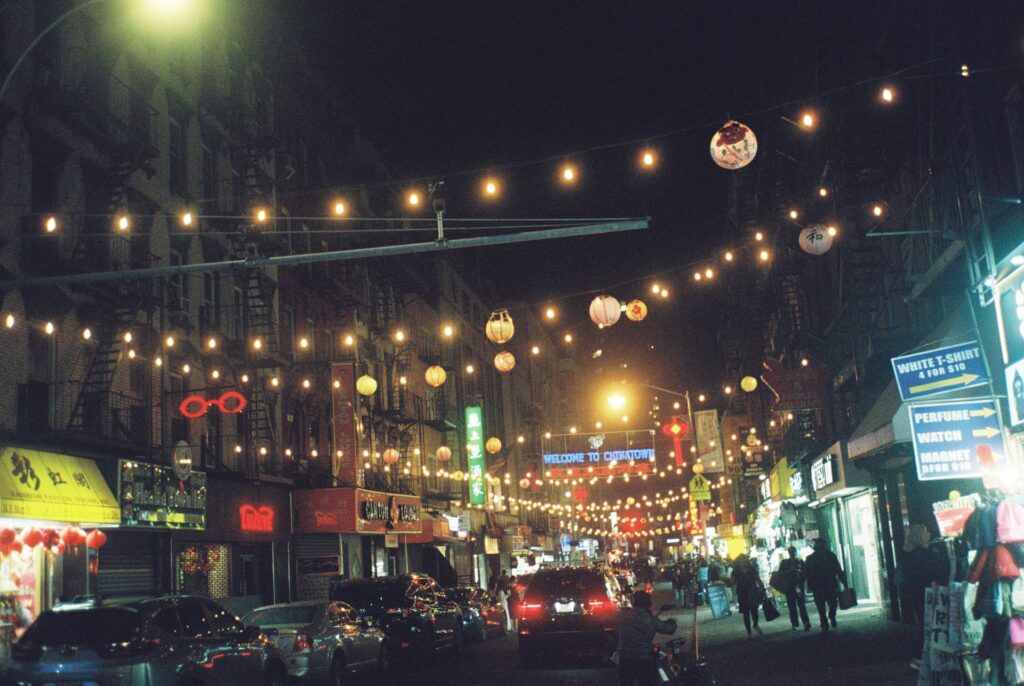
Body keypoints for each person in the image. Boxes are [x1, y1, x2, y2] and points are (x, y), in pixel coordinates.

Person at [901, 524, 947, 655]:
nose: (929, 534)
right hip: (927, 591)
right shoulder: (926, 553)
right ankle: (927, 651)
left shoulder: (906, 553)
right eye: (926, 532)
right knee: (930, 621)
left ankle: (921, 650)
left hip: (913, 591)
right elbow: (934, 571)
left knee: (921, 621)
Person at [616, 590, 677, 686]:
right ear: (648, 603)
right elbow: (669, 629)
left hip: (625, 658)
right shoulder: (650, 619)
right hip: (643, 658)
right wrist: (672, 621)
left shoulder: (623, 616)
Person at [804, 538, 847, 631]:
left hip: (820, 586)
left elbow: (805, 573)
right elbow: (838, 569)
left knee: (823, 606)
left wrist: (805, 584)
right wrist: (843, 580)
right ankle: (828, 619)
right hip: (827, 584)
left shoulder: (812, 558)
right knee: (830, 603)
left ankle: (826, 621)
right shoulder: (829, 556)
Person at [777, 546, 811, 631]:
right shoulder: (786, 562)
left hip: (797, 586)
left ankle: (803, 623)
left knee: (799, 605)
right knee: (794, 606)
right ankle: (797, 623)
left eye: (793, 552)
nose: (792, 553)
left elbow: (805, 573)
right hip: (790, 587)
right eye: (791, 552)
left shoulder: (798, 561)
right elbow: (781, 574)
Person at [730, 554, 764, 637]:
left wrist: (762, 588)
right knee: (746, 614)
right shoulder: (736, 571)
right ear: (738, 562)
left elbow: (758, 579)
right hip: (742, 593)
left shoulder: (752, 569)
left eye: (745, 560)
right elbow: (733, 582)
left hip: (752, 592)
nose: (743, 562)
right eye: (742, 560)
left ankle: (755, 624)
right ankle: (749, 633)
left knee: (754, 611)